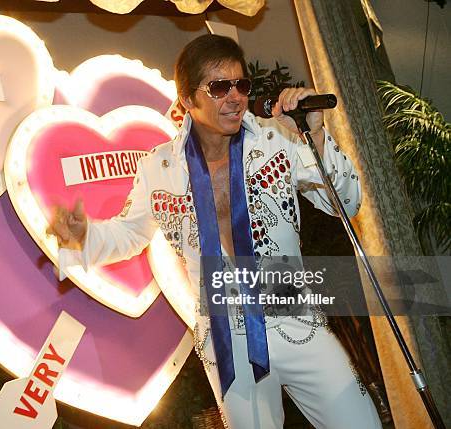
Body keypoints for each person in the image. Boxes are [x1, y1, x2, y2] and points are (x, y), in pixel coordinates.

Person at [48, 34, 382, 429]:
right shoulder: (161, 167)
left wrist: (318, 135)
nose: (235, 97)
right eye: (219, 87)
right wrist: (82, 236)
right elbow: (130, 234)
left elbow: (346, 203)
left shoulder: (277, 139)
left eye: (241, 85)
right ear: (188, 99)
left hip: (297, 319)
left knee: (361, 423)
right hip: (226, 337)